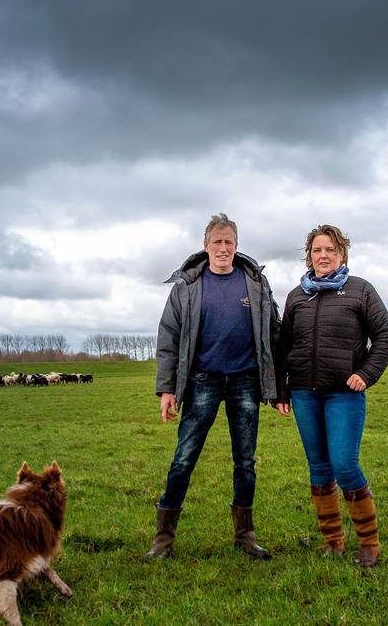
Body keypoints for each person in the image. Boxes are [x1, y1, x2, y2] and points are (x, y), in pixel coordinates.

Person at [147, 213, 282, 560]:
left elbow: (274, 335)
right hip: (202, 382)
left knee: (245, 462)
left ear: (236, 246)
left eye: (229, 242)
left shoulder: (255, 284)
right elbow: (169, 338)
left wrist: (279, 386)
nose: (223, 248)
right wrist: (167, 389)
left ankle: (245, 536)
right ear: (205, 245)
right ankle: (163, 540)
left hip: (246, 381)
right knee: (183, 460)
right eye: (217, 241)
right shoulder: (187, 287)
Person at [273, 224, 388, 567]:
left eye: (329, 249)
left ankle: (369, 543)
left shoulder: (360, 291)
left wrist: (366, 374)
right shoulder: (297, 295)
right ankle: (333, 542)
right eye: (316, 250)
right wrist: (281, 390)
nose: (322, 256)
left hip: (343, 395)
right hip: (303, 394)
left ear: (341, 254)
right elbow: (284, 348)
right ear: (309, 256)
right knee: (319, 467)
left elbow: (385, 335)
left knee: (344, 465)